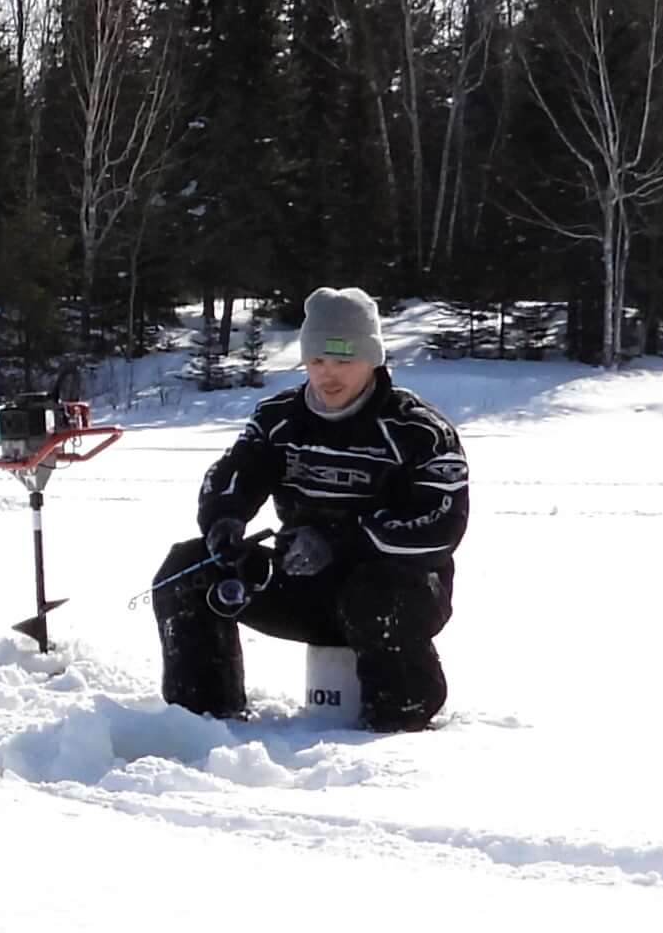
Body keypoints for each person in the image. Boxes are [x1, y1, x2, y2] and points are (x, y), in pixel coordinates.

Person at [150, 285, 469, 732]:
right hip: (303, 581)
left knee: (376, 594)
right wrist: (224, 521)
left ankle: (399, 730)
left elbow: (440, 527)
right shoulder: (279, 418)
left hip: (402, 591)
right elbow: (236, 473)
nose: (328, 375)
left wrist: (340, 542)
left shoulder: (419, 431)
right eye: (317, 361)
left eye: (343, 361)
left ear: (373, 359)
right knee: (187, 569)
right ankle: (203, 723)